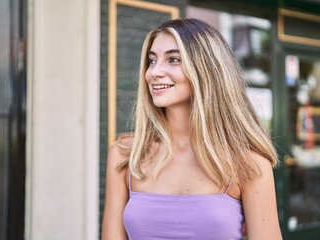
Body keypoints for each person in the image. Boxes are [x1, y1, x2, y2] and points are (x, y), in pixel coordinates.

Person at [101, 18, 282, 240]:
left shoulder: (249, 163)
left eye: (173, 59)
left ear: (206, 70)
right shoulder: (125, 155)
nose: (153, 72)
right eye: (151, 61)